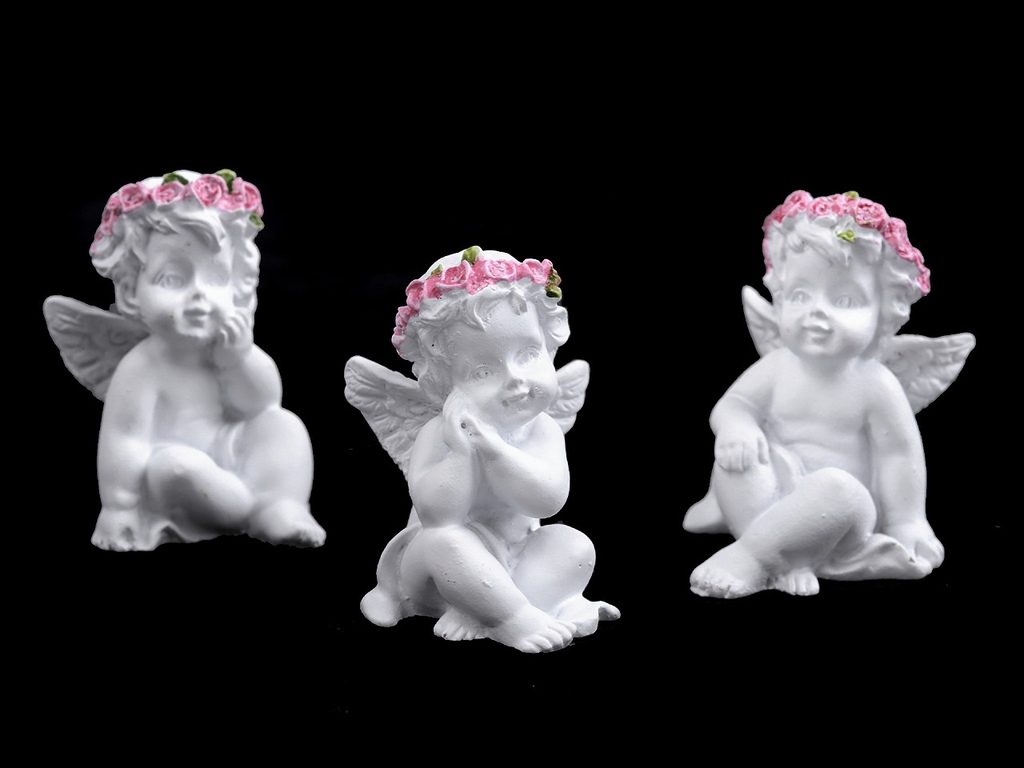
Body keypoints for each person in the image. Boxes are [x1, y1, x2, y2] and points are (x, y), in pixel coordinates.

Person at [685, 191, 974, 597]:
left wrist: (907, 521)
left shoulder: (875, 383)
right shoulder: (780, 366)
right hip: (766, 498)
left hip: (837, 517)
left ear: (883, 315)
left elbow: (899, 456)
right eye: (799, 295)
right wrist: (738, 427)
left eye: (844, 299)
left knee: (837, 488)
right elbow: (733, 405)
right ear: (778, 301)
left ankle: (753, 557)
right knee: (736, 459)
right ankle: (782, 556)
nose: (815, 311)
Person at [347, 247, 618, 652]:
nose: (516, 380)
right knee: (445, 542)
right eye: (483, 371)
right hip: (436, 568)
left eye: (528, 354)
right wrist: (462, 450)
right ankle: (512, 617)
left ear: (550, 347)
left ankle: (486, 607)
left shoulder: (541, 429)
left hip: (513, 556)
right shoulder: (438, 433)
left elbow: (547, 501)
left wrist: (493, 449)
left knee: (575, 546)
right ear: (445, 387)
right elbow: (439, 516)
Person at [45, 170, 324, 550]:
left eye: (216, 277)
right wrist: (119, 508)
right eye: (172, 279)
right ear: (131, 289)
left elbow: (261, 402)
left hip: (234, 452)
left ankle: (280, 507)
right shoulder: (142, 366)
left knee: (283, 424)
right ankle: (244, 510)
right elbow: (125, 440)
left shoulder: (227, 348)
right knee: (172, 465)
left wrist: (237, 359)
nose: (200, 295)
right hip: (182, 475)